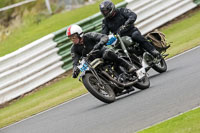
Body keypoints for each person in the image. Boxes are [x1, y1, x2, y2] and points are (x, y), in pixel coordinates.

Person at [67, 24, 136, 78]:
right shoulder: (74, 48)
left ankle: (128, 66)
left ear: (80, 34)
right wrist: (75, 69)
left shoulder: (89, 36)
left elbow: (104, 37)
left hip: (102, 52)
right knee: (90, 71)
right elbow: (75, 61)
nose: (73, 39)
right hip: (93, 61)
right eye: (71, 38)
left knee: (108, 53)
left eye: (74, 37)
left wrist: (99, 44)